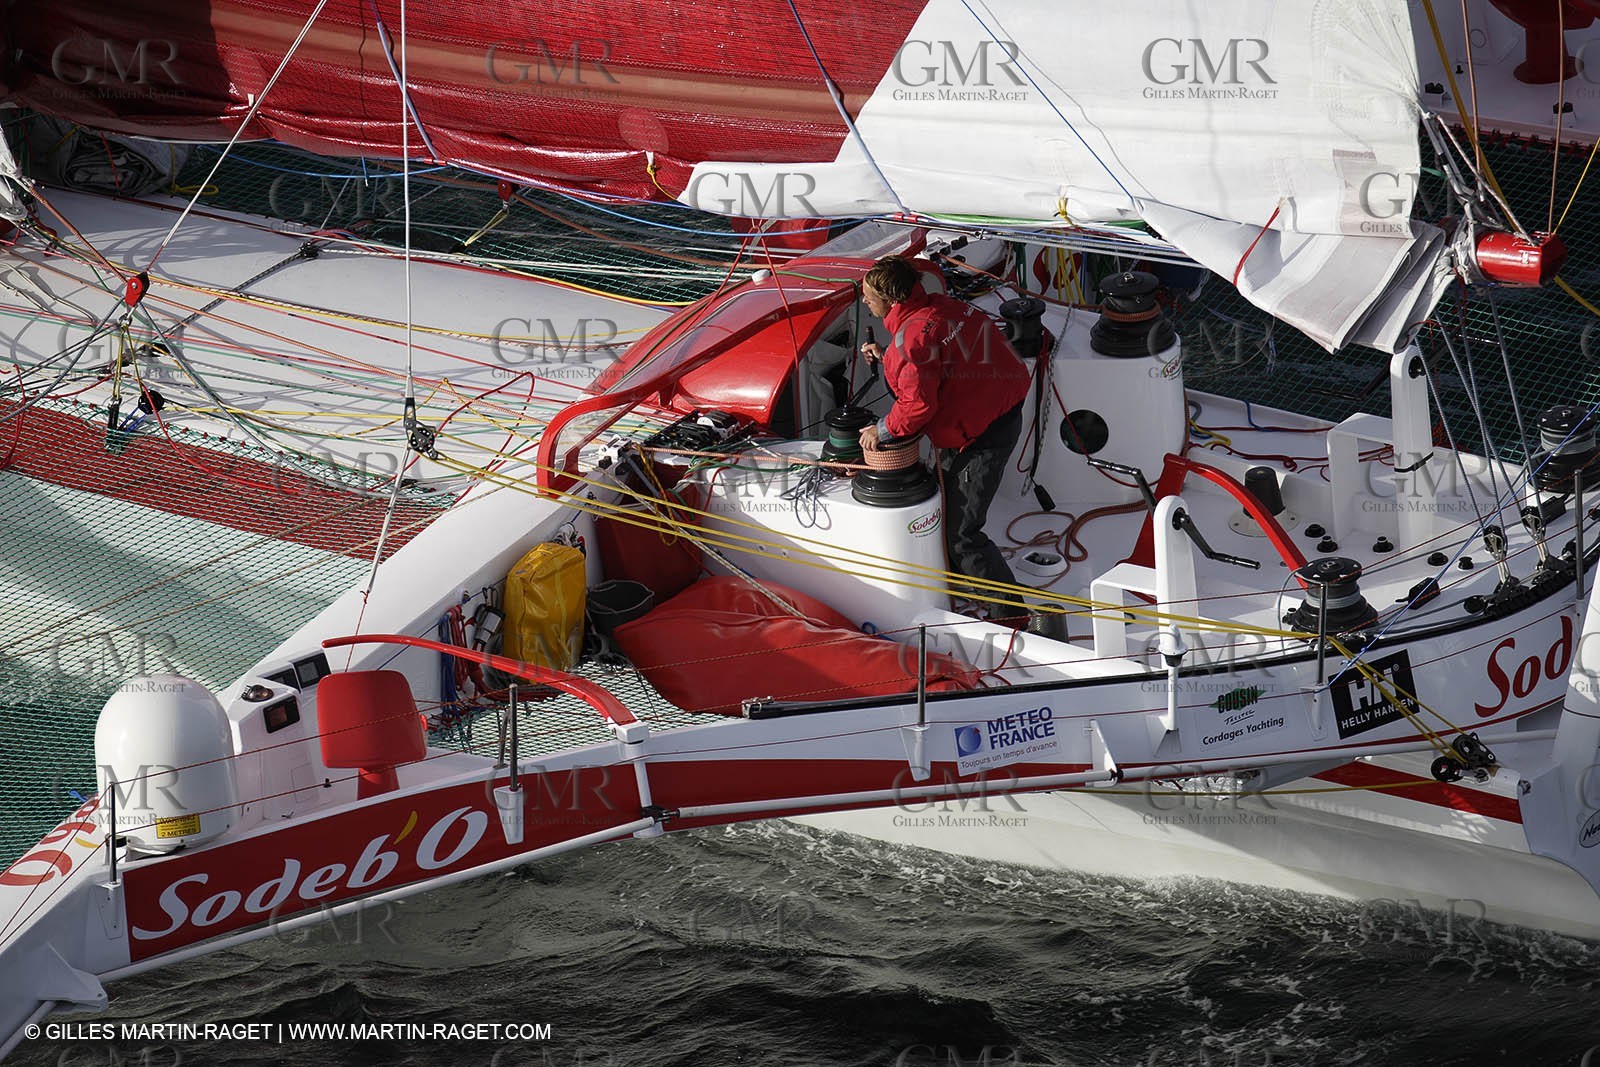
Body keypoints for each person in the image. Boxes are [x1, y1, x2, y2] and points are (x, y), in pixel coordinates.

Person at [857, 254, 1032, 600]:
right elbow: (930, 356)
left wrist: (882, 429)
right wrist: (888, 355)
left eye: (868, 295)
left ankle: (1011, 614)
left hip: (982, 437)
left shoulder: (911, 342)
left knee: (962, 536)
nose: (864, 300)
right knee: (951, 506)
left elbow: (917, 406)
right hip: (999, 411)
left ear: (891, 300)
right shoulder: (942, 306)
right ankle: (965, 584)